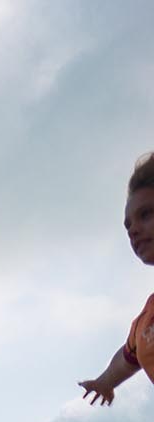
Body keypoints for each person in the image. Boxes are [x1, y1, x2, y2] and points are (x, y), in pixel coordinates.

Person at [78, 152, 154, 404]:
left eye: (146, 215)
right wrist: (104, 382)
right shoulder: (146, 321)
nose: (133, 230)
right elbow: (126, 359)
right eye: (128, 224)